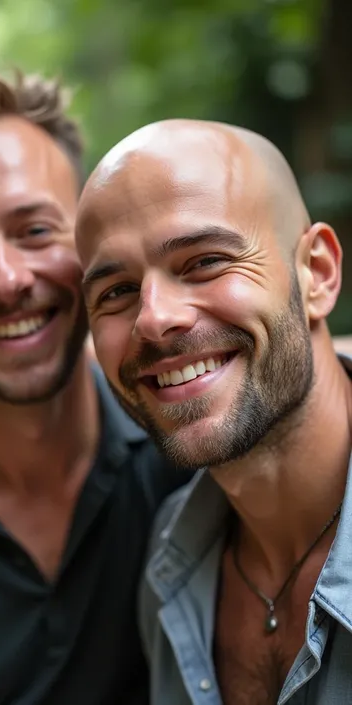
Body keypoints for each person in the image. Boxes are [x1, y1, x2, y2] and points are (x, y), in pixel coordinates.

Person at [0, 54, 187, 705]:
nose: (7, 278)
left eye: (35, 230)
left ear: (93, 240)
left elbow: (297, 367)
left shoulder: (192, 439)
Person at [74, 118, 352, 704]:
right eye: (116, 292)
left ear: (318, 274)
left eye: (203, 262)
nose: (152, 318)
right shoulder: (168, 566)